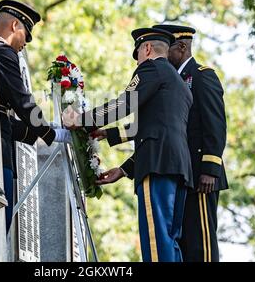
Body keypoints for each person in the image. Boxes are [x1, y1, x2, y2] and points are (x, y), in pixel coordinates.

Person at [62, 27, 193, 262]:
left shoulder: (151, 68)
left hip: (157, 166)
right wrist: (123, 170)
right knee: (171, 242)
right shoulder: (180, 84)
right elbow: (154, 129)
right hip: (178, 167)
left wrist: (80, 120)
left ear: (147, 48)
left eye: (139, 54)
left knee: (156, 242)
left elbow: (124, 104)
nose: (138, 60)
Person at [152, 24, 229, 262]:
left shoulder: (202, 75)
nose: (161, 54)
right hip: (181, 175)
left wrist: (210, 169)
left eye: (167, 48)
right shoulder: (170, 81)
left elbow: (215, 124)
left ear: (182, 47)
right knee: (182, 244)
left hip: (200, 175)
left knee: (201, 244)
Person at [0, 0, 70, 234]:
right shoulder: (4, 52)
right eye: (24, 37)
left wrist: (45, 132)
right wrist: (51, 132)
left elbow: (4, 117)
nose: (23, 47)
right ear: (15, 25)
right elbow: (23, 103)